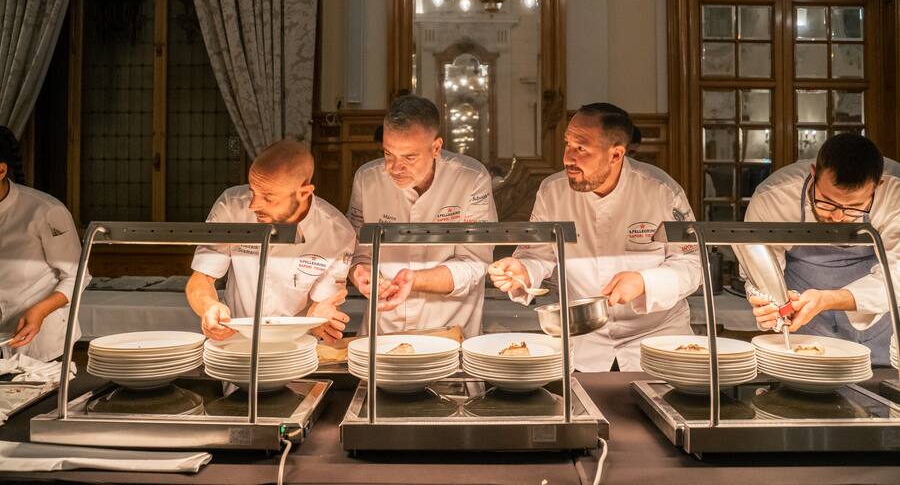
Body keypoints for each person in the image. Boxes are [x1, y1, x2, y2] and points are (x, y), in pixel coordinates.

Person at [489, 104, 701, 371]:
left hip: (656, 343)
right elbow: (537, 254)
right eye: (567, 144)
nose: (567, 158)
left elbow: (693, 264)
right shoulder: (552, 191)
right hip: (584, 343)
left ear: (616, 154)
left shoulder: (661, 190)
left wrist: (645, 281)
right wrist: (521, 270)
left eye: (581, 148)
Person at [347, 95, 497, 338]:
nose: (395, 168)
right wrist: (361, 275)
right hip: (383, 330)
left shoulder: (471, 178)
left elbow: (475, 263)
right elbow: (357, 252)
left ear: (436, 147)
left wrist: (413, 280)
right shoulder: (367, 178)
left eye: (409, 157)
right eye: (388, 154)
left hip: (449, 329)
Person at [745, 134, 900, 366]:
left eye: (855, 207)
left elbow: (897, 273)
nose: (838, 217)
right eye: (827, 201)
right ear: (813, 173)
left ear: (878, 186)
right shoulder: (774, 197)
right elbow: (758, 269)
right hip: (803, 327)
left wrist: (829, 298)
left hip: (879, 328)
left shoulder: (896, 192)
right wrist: (769, 304)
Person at [187, 140, 355, 343]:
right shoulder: (231, 206)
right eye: (253, 192)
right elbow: (201, 279)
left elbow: (322, 305)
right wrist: (208, 306)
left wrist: (320, 317)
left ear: (304, 193)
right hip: (235, 341)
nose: (253, 205)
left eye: (268, 197)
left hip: (296, 346)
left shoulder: (337, 232)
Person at [0, 126, 82, 360]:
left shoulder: (45, 211)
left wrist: (41, 310)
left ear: (1, 170)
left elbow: (77, 276)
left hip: (40, 343)